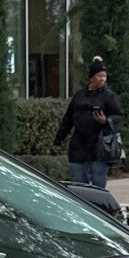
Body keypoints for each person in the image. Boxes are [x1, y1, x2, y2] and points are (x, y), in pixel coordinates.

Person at [53, 56, 124, 189]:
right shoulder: (79, 96)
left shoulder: (109, 96)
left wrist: (106, 120)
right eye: (99, 75)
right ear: (91, 77)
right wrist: (59, 139)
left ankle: (98, 206)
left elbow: (118, 116)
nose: (102, 79)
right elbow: (68, 119)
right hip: (79, 144)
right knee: (79, 180)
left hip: (100, 145)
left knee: (98, 181)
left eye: (104, 76)